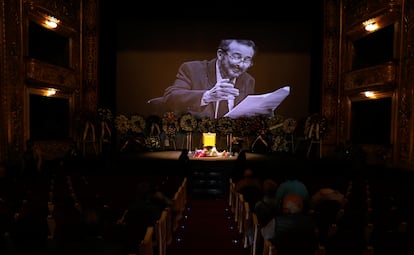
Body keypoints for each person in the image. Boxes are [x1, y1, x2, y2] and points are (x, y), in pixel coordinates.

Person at [160, 39, 257, 119]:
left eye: (247, 60)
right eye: (236, 57)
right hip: (197, 138)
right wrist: (207, 96)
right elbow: (170, 97)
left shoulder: (248, 80)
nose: (240, 65)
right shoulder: (193, 70)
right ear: (220, 54)